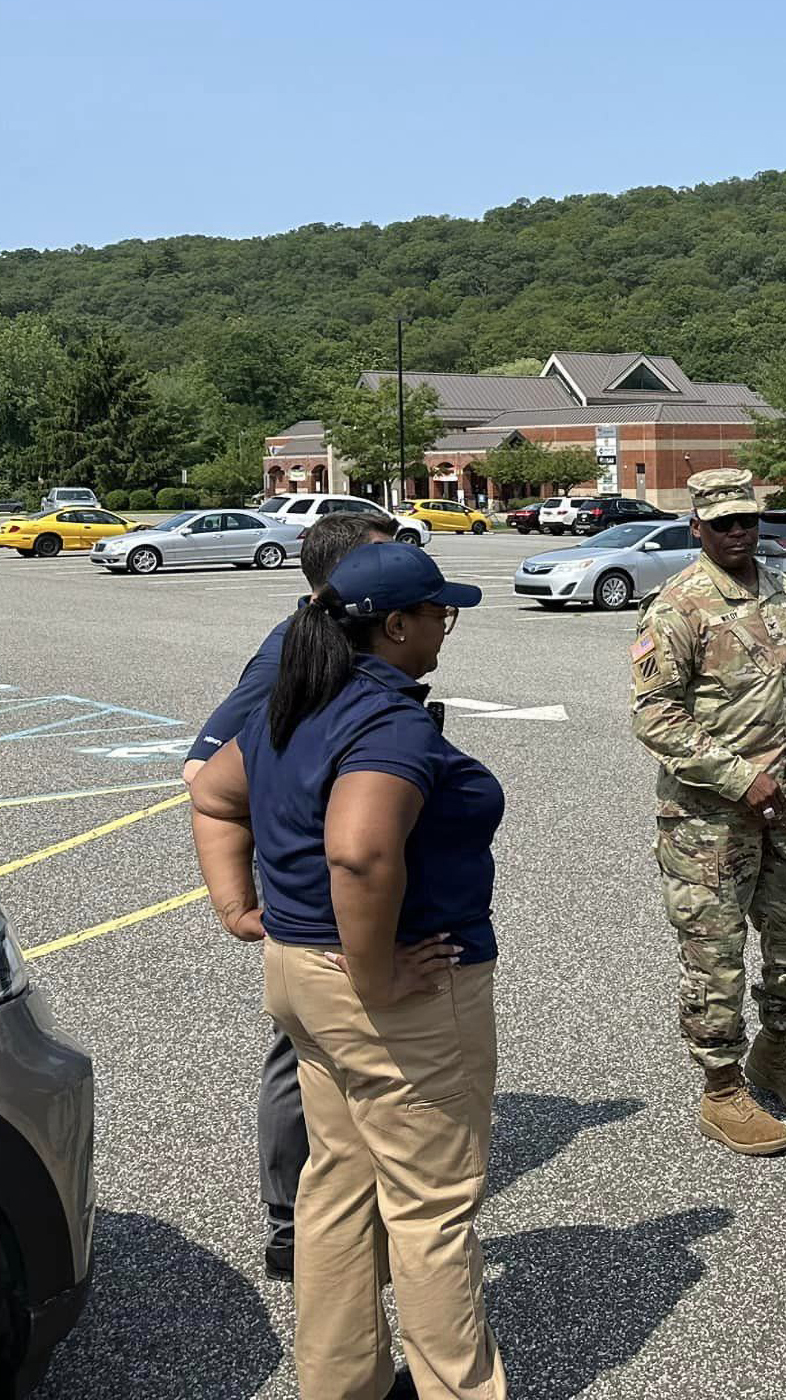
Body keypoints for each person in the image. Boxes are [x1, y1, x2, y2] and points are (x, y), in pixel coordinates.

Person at [188, 542, 505, 1399]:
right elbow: (362, 854)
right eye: (438, 611)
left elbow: (215, 794)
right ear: (395, 626)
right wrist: (377, 977)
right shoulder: (384, 723)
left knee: (336, 1188)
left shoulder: (296, 705)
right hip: (387, 995)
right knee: (431, 1211)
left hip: (300, 977)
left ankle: (338, 1385)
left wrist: (241, 910)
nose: (446, 621)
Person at [182, 509, 396, 1281]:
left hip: (354, 893)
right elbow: (204, 772)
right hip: (319, 901)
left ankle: (338, 1197)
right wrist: (249, 894)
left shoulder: (356, 636)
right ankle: (291, 1220)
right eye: (387, 558)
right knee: (301, 1050)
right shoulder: (291, 650)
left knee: (331, 1051)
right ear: (343, 576)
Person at [633, 467, 786, 1156]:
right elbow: (654, 716)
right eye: (724, 523)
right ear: (695, 528)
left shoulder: (782, 590)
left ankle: (776, 1050)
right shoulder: (678, 605)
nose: (739, 532)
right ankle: (722, 1086)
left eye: (748, 520)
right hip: (709, 820)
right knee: (716, 955)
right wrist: (737, 777)